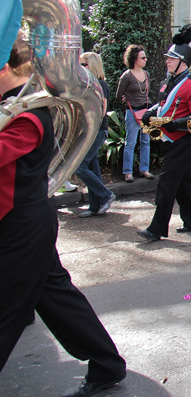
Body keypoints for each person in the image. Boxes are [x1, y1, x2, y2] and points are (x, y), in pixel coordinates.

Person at [0, 32, 127, 397]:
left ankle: (107, 365)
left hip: (21, 226)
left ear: (6, 66)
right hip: (19, 224)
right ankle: (107, 364)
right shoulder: (14, 104)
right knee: (56, 298)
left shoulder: (30, 114)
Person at [136, 19, 191, 242]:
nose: (167, 61)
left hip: (182, 140)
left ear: (183, 62)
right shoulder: (169, 81)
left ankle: (157, 228)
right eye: (168, 58)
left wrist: (174, 124)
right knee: (185, 181)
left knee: (167, 184)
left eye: (172, 59)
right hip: (168, 139)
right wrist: (151, 111)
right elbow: (164, 104)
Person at [74, 52, 116, 218]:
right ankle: (95, 206)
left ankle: (105, 195)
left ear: (92, 65)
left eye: (83, 64)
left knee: (80, 167)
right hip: (90, 131)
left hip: (96, 131)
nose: (81, 67)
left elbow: (102, 111)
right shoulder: (89, 85)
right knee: (92, 169)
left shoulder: (100, 84)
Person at [115, 44, 153, 182]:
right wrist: (126, 99)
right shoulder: (126, 76)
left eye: (145, 57)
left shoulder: (146, 74)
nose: (145, 59)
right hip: (132, 112)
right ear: (134, 59)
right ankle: (128, 172)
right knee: (130, 142)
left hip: (146, 111)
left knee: (146, 141)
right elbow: (119, 95)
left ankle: (144, 169)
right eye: (142, 57)